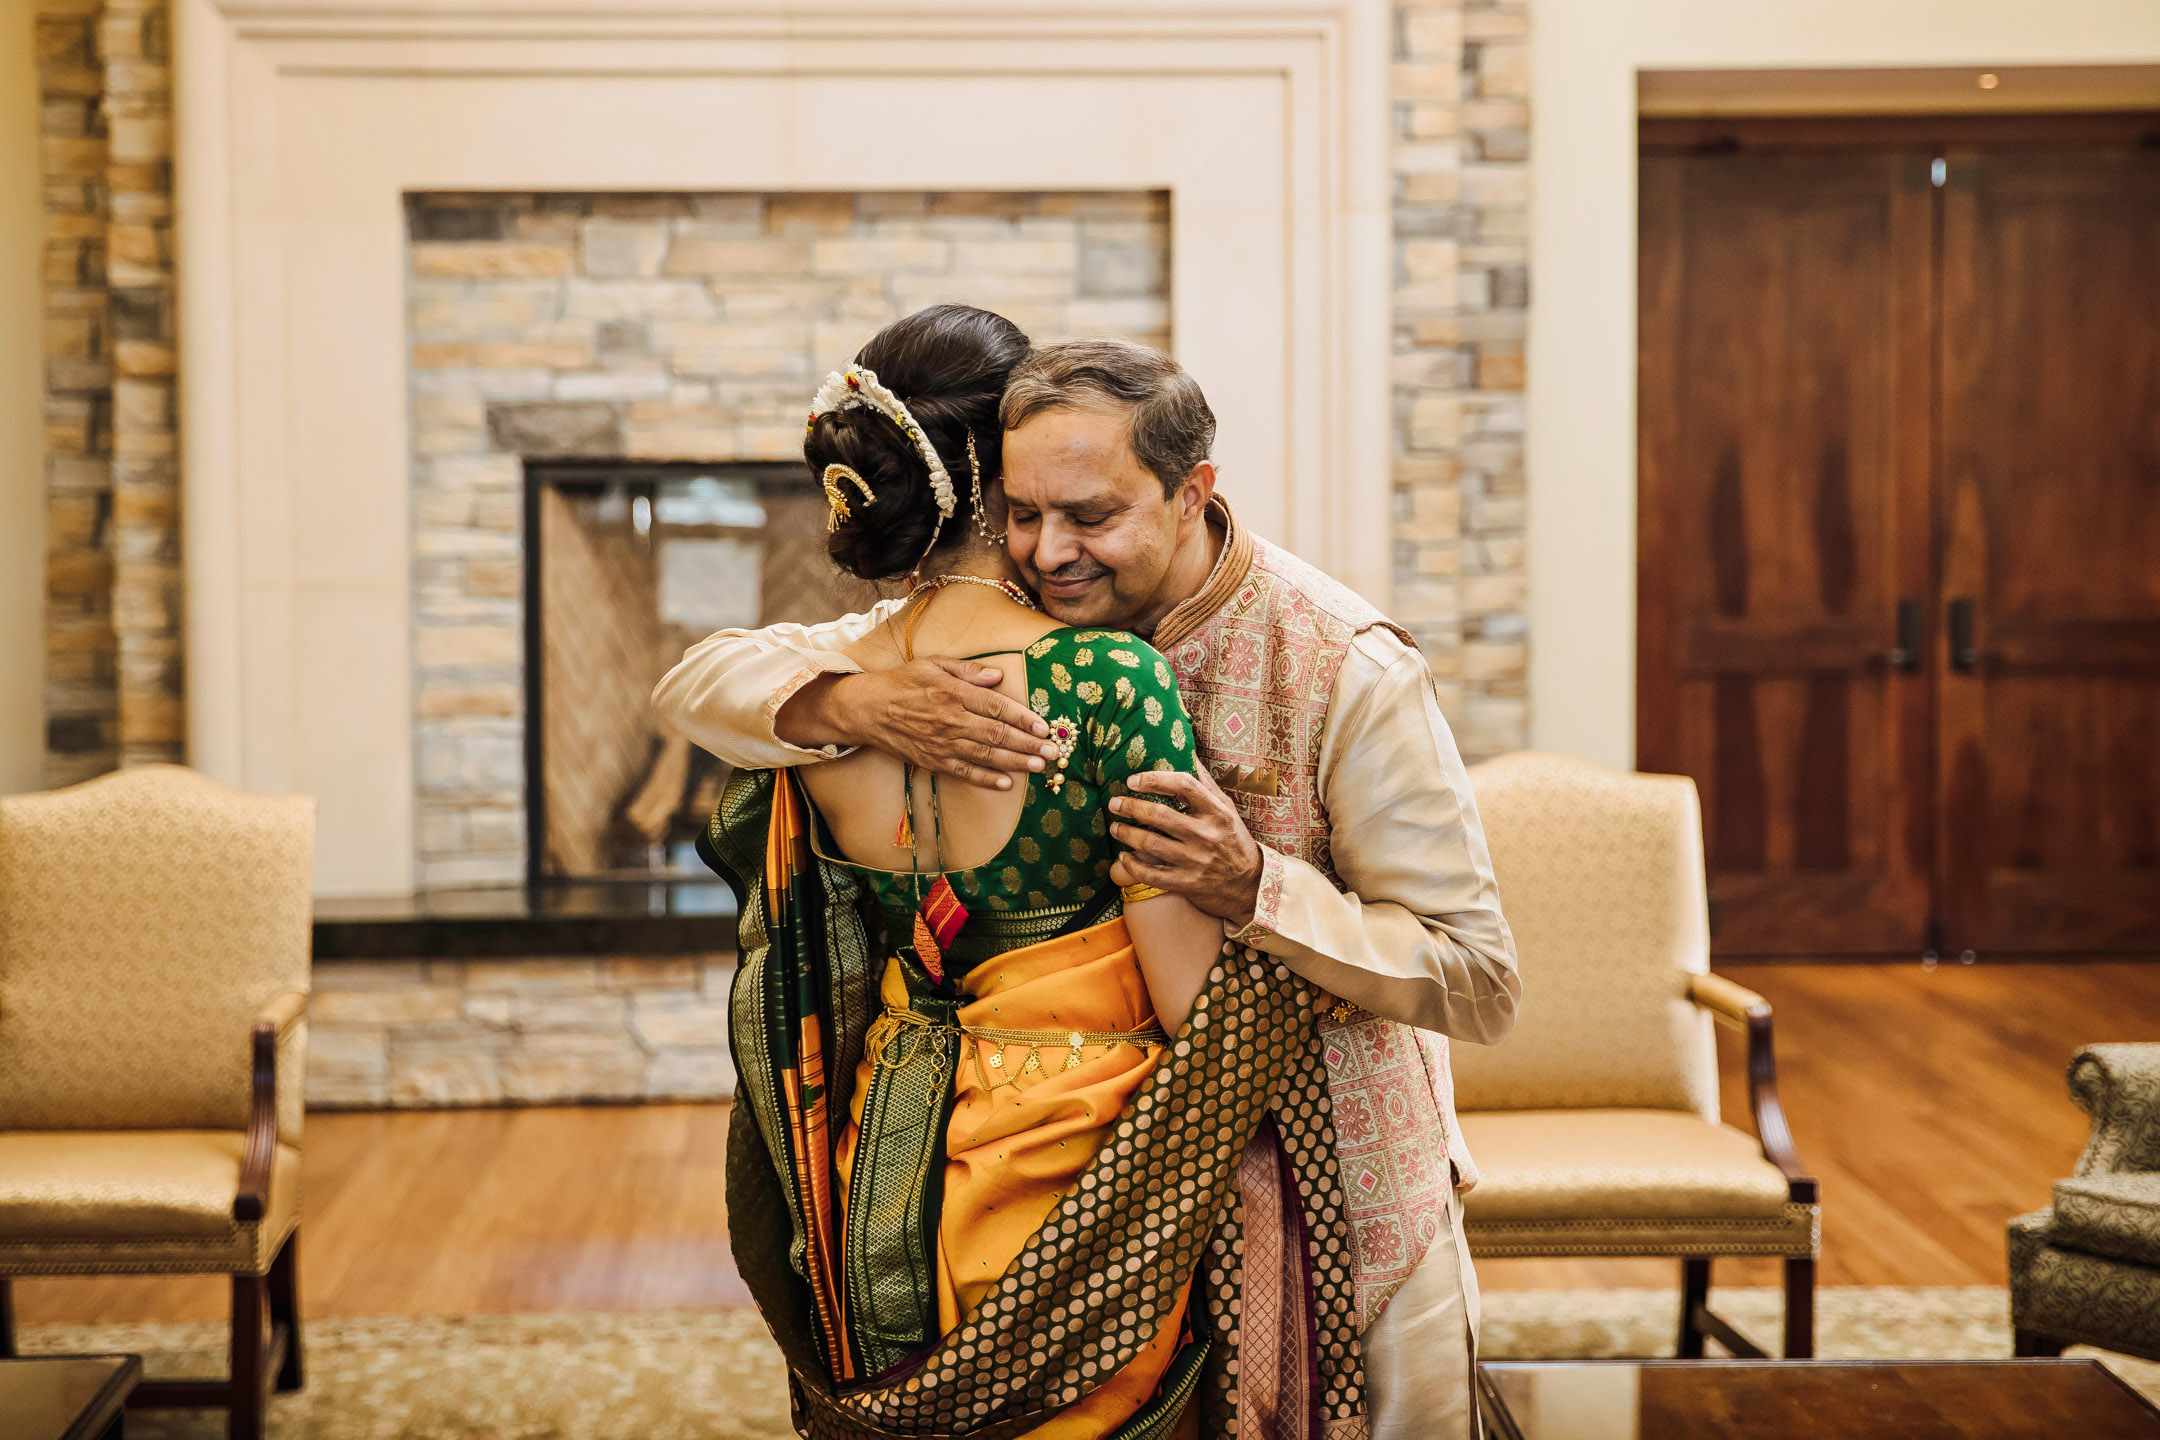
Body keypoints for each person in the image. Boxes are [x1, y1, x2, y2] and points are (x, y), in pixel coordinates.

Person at [660, 327, 1521, 1439]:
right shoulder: (995, 649)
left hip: (1331, 1195)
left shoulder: (1346, 666)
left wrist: (1258, 883)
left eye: (1091, 518)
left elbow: (1479, 976)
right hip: (1102, 1204)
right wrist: (852, 705)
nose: (1048, 553)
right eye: (1022, 514)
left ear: (1189, 492)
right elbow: (698, 679)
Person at [696, 306, 1302, 1439]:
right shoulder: (1107, 681)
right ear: (994, 484)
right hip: (1076, 1165)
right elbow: (1191, 1006)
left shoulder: (824, 693)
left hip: (887, 1153)